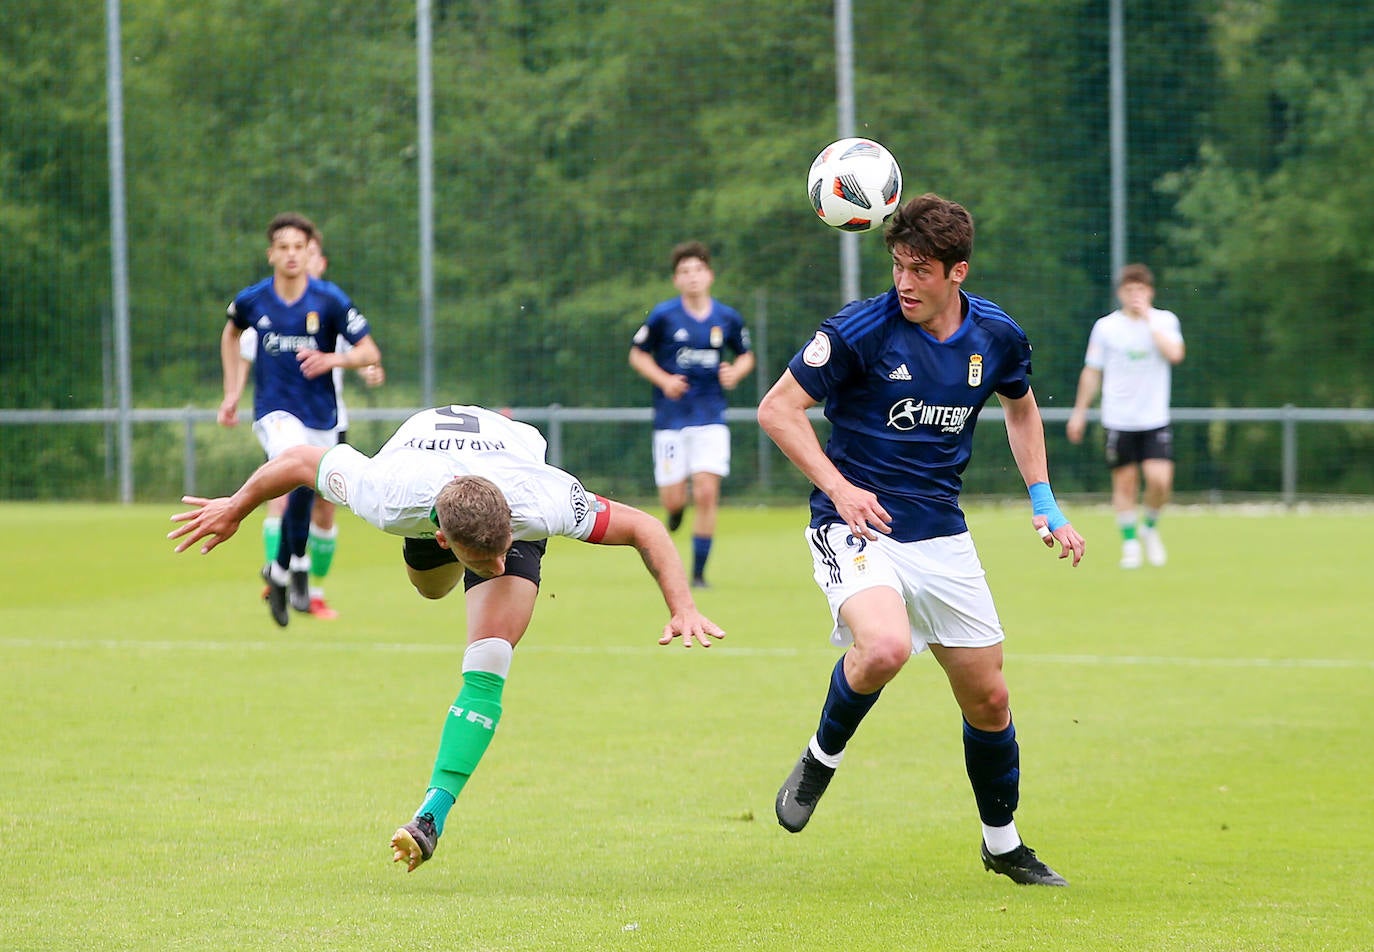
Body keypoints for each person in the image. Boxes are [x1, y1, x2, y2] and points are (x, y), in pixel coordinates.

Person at [169, 404, 725, 872]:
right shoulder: (387, 497)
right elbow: (295, 461)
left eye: (502, 551)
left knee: (489, 658)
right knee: (431, 590)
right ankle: (446, 556)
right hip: (425, 482)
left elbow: (645, 528)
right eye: (485, 560)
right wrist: (235, 508)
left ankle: (432, 813)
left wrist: (683, 607)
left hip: (510, 474)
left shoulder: (545, 501)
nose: (499, 564)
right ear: (442, 537)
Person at [756, 193, 1086, 887]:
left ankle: (1002, 845)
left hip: (940, 533)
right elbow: (777, 410)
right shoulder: (859, 330)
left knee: (989, 699)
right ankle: (821, 758)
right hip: (854, 524)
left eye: (921, 270)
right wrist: (840, 489)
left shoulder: (996, 334)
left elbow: (1022, 411)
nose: (905, 282)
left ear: (957, 272)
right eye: (899, 266)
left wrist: (1045, 502)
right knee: (884, 647)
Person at [217, 212, 382, 626]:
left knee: (307, 489)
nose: (291, 255)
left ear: (309, 254)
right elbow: (231, 333)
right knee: (293, 463)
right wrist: (233, 392)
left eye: (298, 247)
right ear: (271, 253)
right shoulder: (254, 300)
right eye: (283, 247)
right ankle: (295, 574)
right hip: (274, 413)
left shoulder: (329, 300)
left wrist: (333, 358)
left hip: (322, 417)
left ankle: (281, 569)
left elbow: (370, 352)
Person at [629, 241, 755, 587]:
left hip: (711, 416)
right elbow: (637, 355)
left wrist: (736, 372)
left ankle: (698, 574)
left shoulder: (726, 317)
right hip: (670, 420)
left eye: (698, 270)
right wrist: (664, 380)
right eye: (685, 272)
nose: (692, 277)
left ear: (709, 275)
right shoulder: (663, 316)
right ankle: (673, 510)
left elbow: (745, 355)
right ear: (676, 280)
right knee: (675, 497)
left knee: (706, 491)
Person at [1067, 263, 1185, 569]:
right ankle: (1130, 543)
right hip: (1118, 419)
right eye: (1130, 290)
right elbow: (1092, 372)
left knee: (1160, 481)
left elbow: (1175, 355)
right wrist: (1079, 413)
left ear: (1150, 292)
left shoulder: (1164, 321)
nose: (1135, 296)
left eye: (1141, 290)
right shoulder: (1106, 327)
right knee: (1125, 484)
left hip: (1154, 419)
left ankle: (1150, 528)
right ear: (1121, 293)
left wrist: (1149, 321)